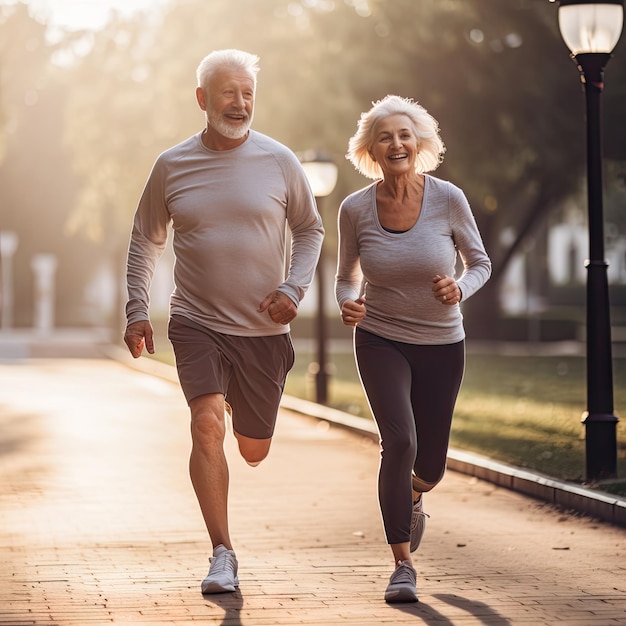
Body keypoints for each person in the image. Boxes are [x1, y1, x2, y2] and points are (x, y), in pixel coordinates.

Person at [123, 49, 324, 595]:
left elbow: (310, 230)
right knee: (206, 422)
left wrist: (293, 287)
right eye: (229, 92)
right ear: (202, 98)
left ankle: (236, 395)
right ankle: (222, 552)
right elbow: (146, 239)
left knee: (253, 450)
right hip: (195, 322)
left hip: (263, 330)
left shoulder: (280, 161)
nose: (239, 103)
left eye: (248, 94)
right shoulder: (172, 165)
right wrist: (137, 308)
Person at [335, 95, 491, 604]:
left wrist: (460, 288)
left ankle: (417, 493)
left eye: (404, 135)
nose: (396, 144)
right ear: (371, 150)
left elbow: (480, 263)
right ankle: (402, 564)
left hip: (442, 344)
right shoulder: (354, 209)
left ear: (418, 144)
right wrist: (348, 304)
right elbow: (344, 279)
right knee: (398, 441)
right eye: (385, 137)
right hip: (380, 337)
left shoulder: (448, 198)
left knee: (431, 463)